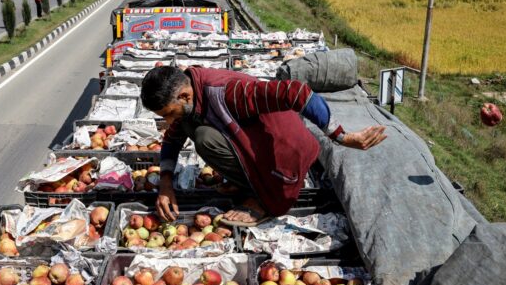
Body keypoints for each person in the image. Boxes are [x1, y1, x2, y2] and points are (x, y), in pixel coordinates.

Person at [140, 65, 387, 227]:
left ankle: (260, 199)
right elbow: (172, 139)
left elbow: (297, 93)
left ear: (184, 96)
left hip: (286, 154)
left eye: (168, 113)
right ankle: (246, 182)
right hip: (256, 147)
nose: (168, 121)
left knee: (204, 138)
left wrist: (341, 137)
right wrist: (165, 183)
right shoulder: (192, 94)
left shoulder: (227, 93)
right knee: (190, 126)